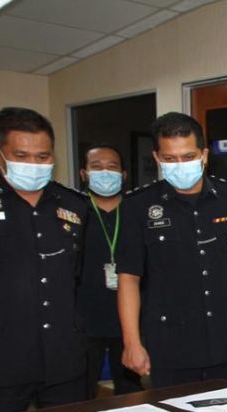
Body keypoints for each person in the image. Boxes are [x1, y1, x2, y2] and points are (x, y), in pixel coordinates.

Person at [116, 112, 227, 388]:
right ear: (157, 158)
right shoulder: (138, 206)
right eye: (170, 159)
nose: (180, 165)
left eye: (188, 156)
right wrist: (131, 342)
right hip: (170, 346)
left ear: (204, 155)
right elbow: (128, 278)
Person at [0, 107, 88, 412]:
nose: (33, 165)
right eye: (21, 156)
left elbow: (78, 278)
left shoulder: (74, 205)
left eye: (43, 156)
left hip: (63, 360)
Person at [77, 144, 143, 398]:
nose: (105, 172)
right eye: (97, 167)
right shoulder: (74, 210)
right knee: (80, 395)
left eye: (112, 167)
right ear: (84, 173)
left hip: (131, 320)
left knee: (132, 394)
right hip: (85, 319)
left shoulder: (137, 210)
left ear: (123, 175)